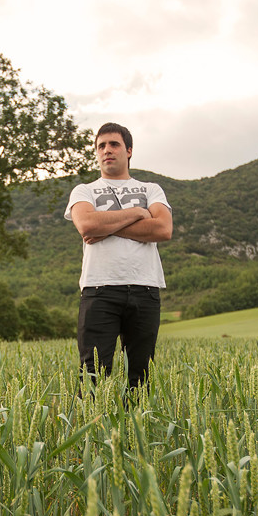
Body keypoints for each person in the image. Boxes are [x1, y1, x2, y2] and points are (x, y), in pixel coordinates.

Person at [64, 122, 173, 392]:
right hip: (99, 289)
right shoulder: (84, 190)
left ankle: (135, 433)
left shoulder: (151, 189)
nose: (106, 150)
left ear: (129, 151)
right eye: (101, 146)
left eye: (113, 144)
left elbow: (162, 228)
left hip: (145, 288)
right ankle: (93, 433)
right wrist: (138, 213)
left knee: (141, 375)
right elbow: (87, 226)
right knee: (92, 374)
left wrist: (106, 227)